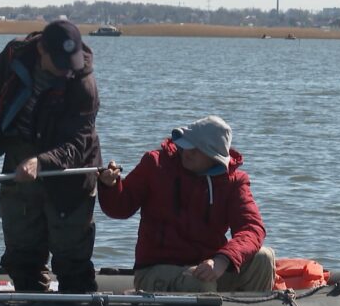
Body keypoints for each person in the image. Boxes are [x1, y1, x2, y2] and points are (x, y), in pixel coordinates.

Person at [0, 19, 102, 293]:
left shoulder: (84, 84)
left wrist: (40, 162)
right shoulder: (15, 54)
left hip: (69, 172)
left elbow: (79, 142)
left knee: (71, 261)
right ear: (41, 49)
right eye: (59, 62)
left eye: (71, 61)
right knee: (22, 256)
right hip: (19, 158)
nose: (67, 69)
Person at [98, 115, 275, 293]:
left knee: (263, 258)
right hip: (157, 268)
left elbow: (252, 228)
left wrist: (222, 260)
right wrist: (110, 186)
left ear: (215, 157)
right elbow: (120, 207)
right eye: (187, 144)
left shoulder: (234, 181)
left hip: (209, 266)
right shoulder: (156, 164)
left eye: (198, 149)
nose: (188, 152)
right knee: (200, 283)